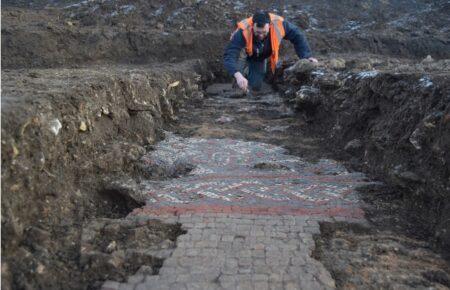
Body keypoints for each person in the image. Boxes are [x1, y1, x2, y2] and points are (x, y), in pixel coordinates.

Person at [224, 11, 318, 93]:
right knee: (239, 83)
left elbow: (298, 36)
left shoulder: (280, 25)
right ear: (253, 26)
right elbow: (230, 55)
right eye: (258, 32)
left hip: (259, 55)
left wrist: (307, 56)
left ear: (270, 26)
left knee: (255, 86)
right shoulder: (243, 30)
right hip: (243, 51)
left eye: (264, 32)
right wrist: (238, 75)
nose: (261, 36)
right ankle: (240, 81)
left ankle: (247, 73)